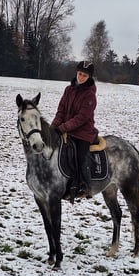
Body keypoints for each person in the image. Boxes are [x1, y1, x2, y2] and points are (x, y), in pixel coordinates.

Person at [51, 60, 99, 202]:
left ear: (89, 77)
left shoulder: (90, 95)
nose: (80, 77)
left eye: (84, 75)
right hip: (66, 128)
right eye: (79, 74)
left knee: (79, 156)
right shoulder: (68, 90)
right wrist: (53, 128)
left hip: (83, 132)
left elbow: (82, 118)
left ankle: (85, 185)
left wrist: (63, 128)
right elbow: (61, 111)